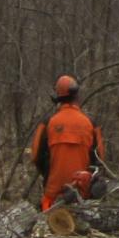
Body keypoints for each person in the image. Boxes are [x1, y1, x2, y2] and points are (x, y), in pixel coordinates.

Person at [30, 74, 103, 211]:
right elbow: (99, 159)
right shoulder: (91, 124)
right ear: (77, 96)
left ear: (57, 99)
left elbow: (35, 156)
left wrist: (47, 172)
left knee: (46, 216)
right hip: (83, 200)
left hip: (52, 199)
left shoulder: (47, 123)